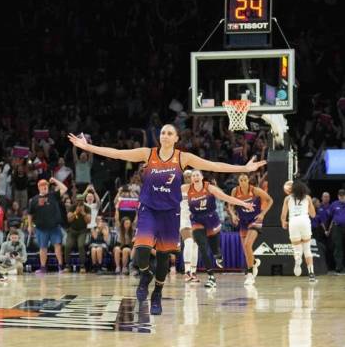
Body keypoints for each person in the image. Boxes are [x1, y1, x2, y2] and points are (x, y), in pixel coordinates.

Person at [68, 125, 265, 315]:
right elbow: (118, 153)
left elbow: (214, 165)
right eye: (163, 132)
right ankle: (146, 274)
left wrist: (244, 168)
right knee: (140, 255)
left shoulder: (183, 157)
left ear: (176, 138)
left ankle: (157, 294)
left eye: (170, 133)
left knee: (163, 257)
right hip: (148, 210)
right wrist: (87, 147)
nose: (165, 135)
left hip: (170, 213)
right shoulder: (148, 154)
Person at [183, 170, 255, 288]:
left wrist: (244, 204)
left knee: (215, 249)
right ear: (191, 179)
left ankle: (218, 256)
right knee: (202, 247)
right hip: (197, 220)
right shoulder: (186, 188)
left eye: (197, 175)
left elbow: (226, 198)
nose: (195, 177)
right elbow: (170, 191)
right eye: (193, 176)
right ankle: (211, 276)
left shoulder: (209, 188)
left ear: (202, 178)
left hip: (211, 220)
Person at [228, 173, 273, 286]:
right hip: (243, 221)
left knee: (248, 245)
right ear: (239, 182)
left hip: (255, 220)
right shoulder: (235, 191)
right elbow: (230, 205)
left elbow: (270, 200)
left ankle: (250, 274)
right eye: (241, 180)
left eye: (245, 179)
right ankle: (253, 262)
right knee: (246, 249)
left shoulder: (255, 190)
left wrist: (263, 214)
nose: (243, 181)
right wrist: (233, 215)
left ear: (248, 181)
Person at [27, 178, 68, 274]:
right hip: (41, 228)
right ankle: (43, 268)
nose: (44, 186)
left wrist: (55, 180)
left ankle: (61, 267)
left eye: (46, 185)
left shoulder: (53, 195)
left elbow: (64, 189)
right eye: (42, 185)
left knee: (57, 246)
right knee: (42, 247)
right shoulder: (34, 200)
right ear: (38, 187)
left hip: (54, 227)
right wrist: (29, 225)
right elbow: (30, 214)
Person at [280, 180, 317, 282]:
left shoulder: (287, 199)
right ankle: (311, 274)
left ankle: (297, 260)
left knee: (297, 249)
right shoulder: (308, 198)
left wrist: (284, 222)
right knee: (307, 249)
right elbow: (313, 215)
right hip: (304, 221)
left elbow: (283, 216)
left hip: (293, 222)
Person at [180, 170, 199, 283]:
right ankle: (187, 272)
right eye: (186, 177)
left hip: (196, 220)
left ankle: (193, 272)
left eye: (189, 177)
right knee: (188, 243)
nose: (188, 178)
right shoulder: (180, 189)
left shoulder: (198, 190)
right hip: (183, 220)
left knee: (195, 246)